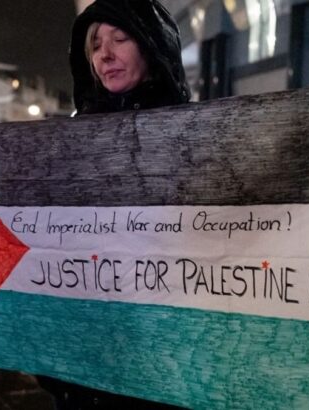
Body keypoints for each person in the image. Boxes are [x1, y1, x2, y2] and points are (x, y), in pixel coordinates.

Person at [38, 0, 190, 409]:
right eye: (95, 45)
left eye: (120, 39)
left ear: (152, 46)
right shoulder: (72, 139)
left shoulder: (191, 135)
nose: (104, 55)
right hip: (82, 357)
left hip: (160, 356)